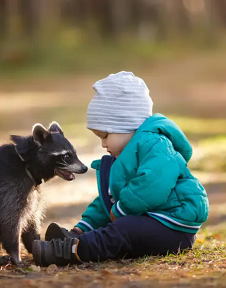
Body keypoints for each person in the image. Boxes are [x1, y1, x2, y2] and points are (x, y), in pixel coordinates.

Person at [31, 71, 209, 267]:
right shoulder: (121, 159)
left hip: (173, 226)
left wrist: (123, 208)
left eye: (105, 135)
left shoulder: (155, 144)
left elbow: (152, 185)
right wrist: (84, 224)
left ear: (127, 125)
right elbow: (108, 201)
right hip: (151, 221)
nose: (103, 144)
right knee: (122, 226)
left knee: (123, 230)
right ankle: (77, 236)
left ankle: (71, 250)